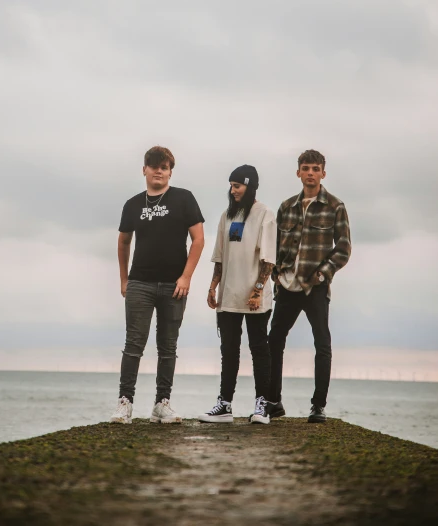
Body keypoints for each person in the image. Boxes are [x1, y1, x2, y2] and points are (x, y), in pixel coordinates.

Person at [110, 146, 205, 424]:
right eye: (153, 166)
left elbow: (198, 240)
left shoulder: (184, 198)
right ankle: (124, 403)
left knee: (168, 347)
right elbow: (123, 241)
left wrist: (186, 276)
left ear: (170, 172)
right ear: (144, 170)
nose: (158, 171)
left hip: (174, 285)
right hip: (140, 283)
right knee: (133, 345)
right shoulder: (133, 204)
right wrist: (124, 278)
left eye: (164, 167)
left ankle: (162, 404)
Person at [267, 149, 351, 423]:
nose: (311, 173)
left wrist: (323, 275)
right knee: (274, 341)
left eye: (316, 168)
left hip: (315, 286)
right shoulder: (286, 207)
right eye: (306, 168)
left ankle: (318, 407)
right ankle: (273, 401)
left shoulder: (335, 207)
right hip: (287, 286)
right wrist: (276, 275)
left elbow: (343, 249)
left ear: (323, 173)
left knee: (322, 343)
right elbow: (274, 246)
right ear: (298, 172)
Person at [198, 165, 276, 424]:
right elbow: (219, 258)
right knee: (228, 351)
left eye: (237, 186)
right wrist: (212, 287)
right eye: (231, 186)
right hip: (228, 298)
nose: (232, 191)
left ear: (250, 186)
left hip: (255, 299)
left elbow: (268, 260)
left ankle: (262, 405)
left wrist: (257, 291)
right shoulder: (226, 216)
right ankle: (225, 405)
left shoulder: (265, 214)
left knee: (259, 350)